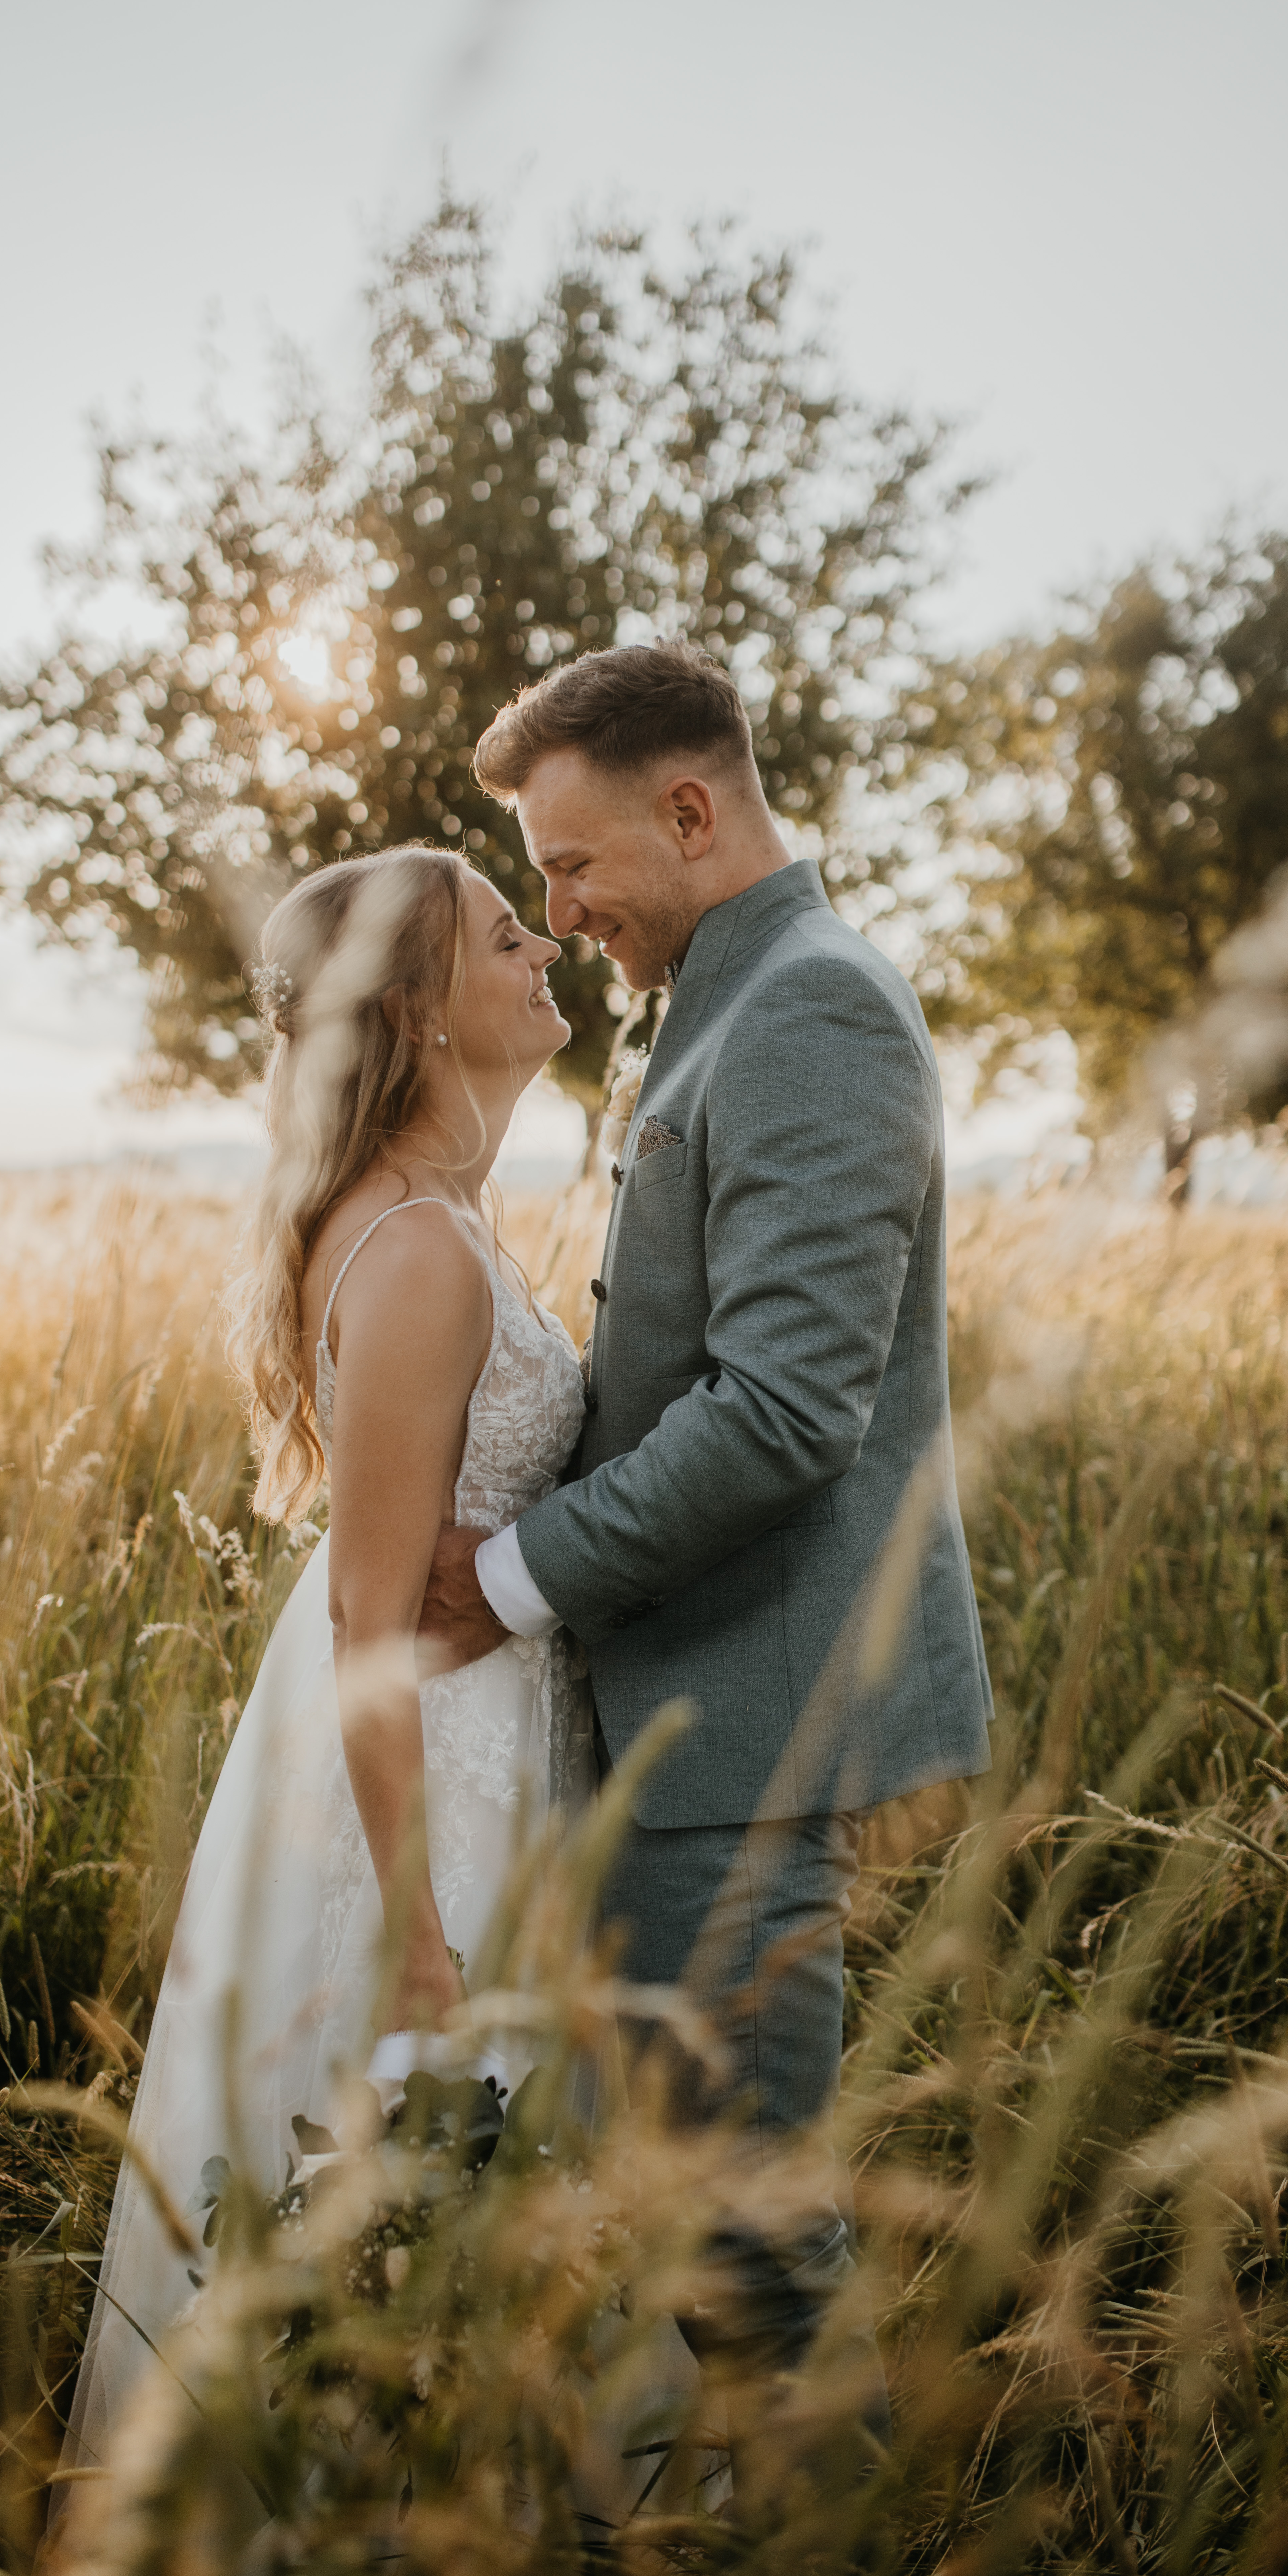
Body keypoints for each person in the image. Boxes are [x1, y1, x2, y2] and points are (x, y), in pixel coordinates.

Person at [419, 641, 993, 2397]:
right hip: (693, 1715)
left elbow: (785, 1411)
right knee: (710, 2228)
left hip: (747, 1729)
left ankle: (853, 2569)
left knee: (751, 2261)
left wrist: (503, 1579)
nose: (558, 906)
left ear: (688, 812)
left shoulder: (807, 1004)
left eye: (571, 862)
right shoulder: (723, 999)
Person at [62, 846, 591, 2484]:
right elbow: (373, 1617)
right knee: (412, 2188)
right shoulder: (418, 1249)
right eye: (508, 935)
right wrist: (420, 1931)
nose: (547, 941)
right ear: (423, 1010)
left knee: (426, 2229)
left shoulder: (430, 1215)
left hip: (472, 1728)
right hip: (424, 1779)